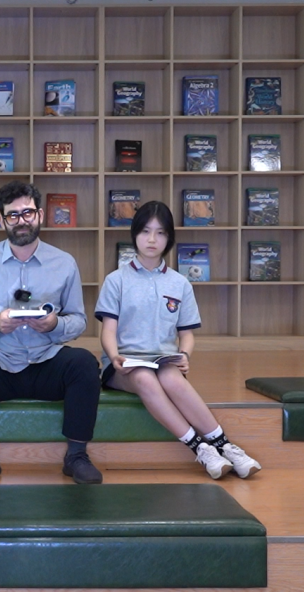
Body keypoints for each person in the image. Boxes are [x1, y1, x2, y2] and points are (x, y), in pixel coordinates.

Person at [0, 180, 102, 485]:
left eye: (28, 213)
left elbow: (79, 320)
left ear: (40, 215)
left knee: (84, 363)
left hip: (47, 362)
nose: (22, 221)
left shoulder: (64, 263)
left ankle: (76, 456)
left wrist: (55, 325)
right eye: (13, 215)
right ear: (1, 219)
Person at [96, 201, 260, 479]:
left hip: (163, 360)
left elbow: (186, 334)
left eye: (160, 233)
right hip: (124, 364)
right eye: (145, 231)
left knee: (172, 379)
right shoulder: (116, 280)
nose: (152, 239)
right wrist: (114, 356)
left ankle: (225, 445)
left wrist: (184, 355)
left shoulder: (179, 283)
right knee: (145, 378)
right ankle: (201, 448)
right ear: (134, 234)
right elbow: (108, 331)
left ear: (169, 238)